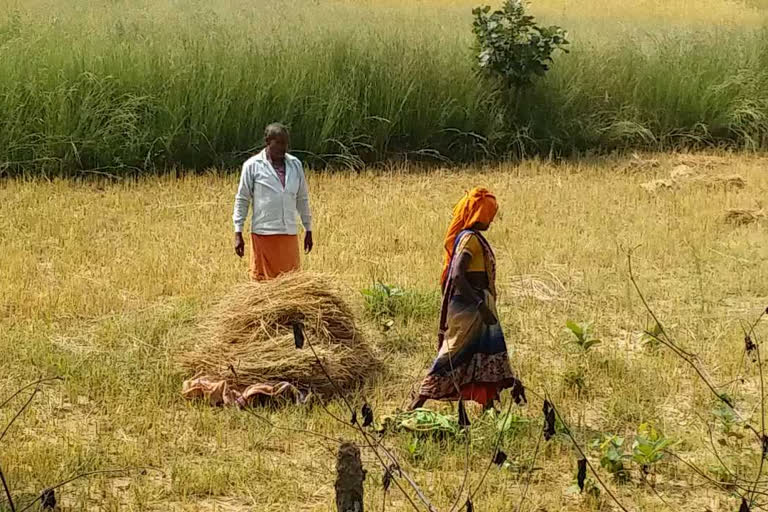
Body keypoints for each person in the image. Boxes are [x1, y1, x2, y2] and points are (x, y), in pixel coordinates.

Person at [410, 187, 519, 411]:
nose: (491, 220)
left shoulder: (472, 238)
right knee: (452, 356)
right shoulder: (470, 239)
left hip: (476, 306)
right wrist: (480, 306)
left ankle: (489, 408)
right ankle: (416, 403)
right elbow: (458, 275)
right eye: (490, 215)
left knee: (482, 353)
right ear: (481, 215)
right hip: (471, 308)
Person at [233, 123, 313, 280]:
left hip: (288, 234)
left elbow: (302, 199)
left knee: (290, 283)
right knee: (263, 283)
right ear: (267, 142)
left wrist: (308, 229)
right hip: (263, 234)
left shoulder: (295, 165)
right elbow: (242, 199)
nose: (283, 148)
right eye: (279, 143)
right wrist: (238, 232)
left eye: (285, 143)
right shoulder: (252, 166)